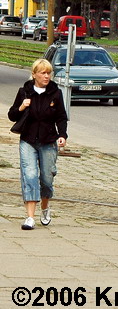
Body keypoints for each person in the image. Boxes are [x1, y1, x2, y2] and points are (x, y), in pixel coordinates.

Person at [7, 59, 68, 230]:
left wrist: (62, 135)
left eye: (49, 73)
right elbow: (12, 116)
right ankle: (30, 218)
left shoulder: (55, 94)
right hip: (28, 140)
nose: (47, 76)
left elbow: (61, 117)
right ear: (34, 74)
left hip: (48, 141)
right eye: (43, 73)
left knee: (47, 179)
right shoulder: (24, 92)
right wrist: (21, 107)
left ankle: (45, 207)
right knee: (30, 175)